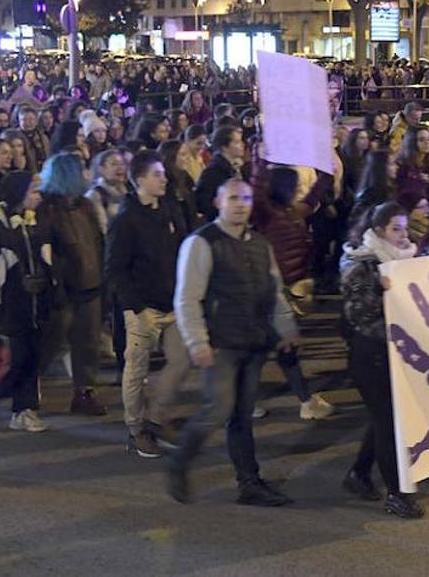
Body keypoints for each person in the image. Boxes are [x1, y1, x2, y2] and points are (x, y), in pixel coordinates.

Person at [167, 177, 302, 507]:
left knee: (242, 416)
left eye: (245, 198)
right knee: (218, 410)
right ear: (218, 203)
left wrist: (285, 329)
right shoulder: (201, 243)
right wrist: (197, 342)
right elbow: (187, 298)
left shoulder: (259, 243)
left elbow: (274, 289)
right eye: (233, 198)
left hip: (254, 341)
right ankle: (180, 462)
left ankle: (249, 482)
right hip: (222, 344)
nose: (240, 204)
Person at [339, 202, 428, 518]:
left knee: (384, 419)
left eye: (405, 228)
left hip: (397, 352)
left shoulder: (405, 260)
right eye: (396, 229)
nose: (403, 236)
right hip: (371, 354)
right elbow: (357, 315)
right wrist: (380, 290)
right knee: (390, 423)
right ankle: (397, 493)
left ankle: (359, 474)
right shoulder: (358, 263)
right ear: (379, 232)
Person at [106, 151, 191, 458]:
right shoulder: (126, 220)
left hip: (173, 304)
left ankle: (156, 418)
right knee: (136, 371)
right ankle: (136, 429)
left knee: (181, 360)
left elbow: (184, 248)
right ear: (140, 180)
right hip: (143, 309)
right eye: (157, 174)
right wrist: (136, 309)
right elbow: (115, 269)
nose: (164, 178)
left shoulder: (170, 209)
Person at [253, 166, 334, 420]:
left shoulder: (292, 211)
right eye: (294, 185)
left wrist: (326, 170)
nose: (299, 190)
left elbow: (314, 196)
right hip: (271, 290)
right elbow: (256, 190)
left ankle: (249, 400)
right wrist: (260, 155)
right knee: (280, 348)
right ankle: (304, 401)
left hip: (289, 291)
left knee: (272, 348)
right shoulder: (266, 213)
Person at [0, 171, 50, 432]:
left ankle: (24, 411)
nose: (39, 196)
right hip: (10, 307)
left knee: (33, 358)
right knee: (16, 360)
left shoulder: (34, 220)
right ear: (18, 193)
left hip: (35, 305)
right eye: (34, 191)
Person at [34, 153, 108, 415]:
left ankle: (84, 392)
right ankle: (30, 384)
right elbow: (45, 250)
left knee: (88, 343)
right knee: (49, 342)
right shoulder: (48, 209)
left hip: (91, 284)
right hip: (64, 289)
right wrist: (56, 282)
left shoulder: (84, 206)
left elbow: (97, 241)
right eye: (82, 170)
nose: (87, 174)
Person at [195, 126, 245, 222]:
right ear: (224, 147)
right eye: (237, 142)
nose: (242, 145)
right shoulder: (213, 171)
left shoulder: (235, 167)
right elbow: (203, 202)